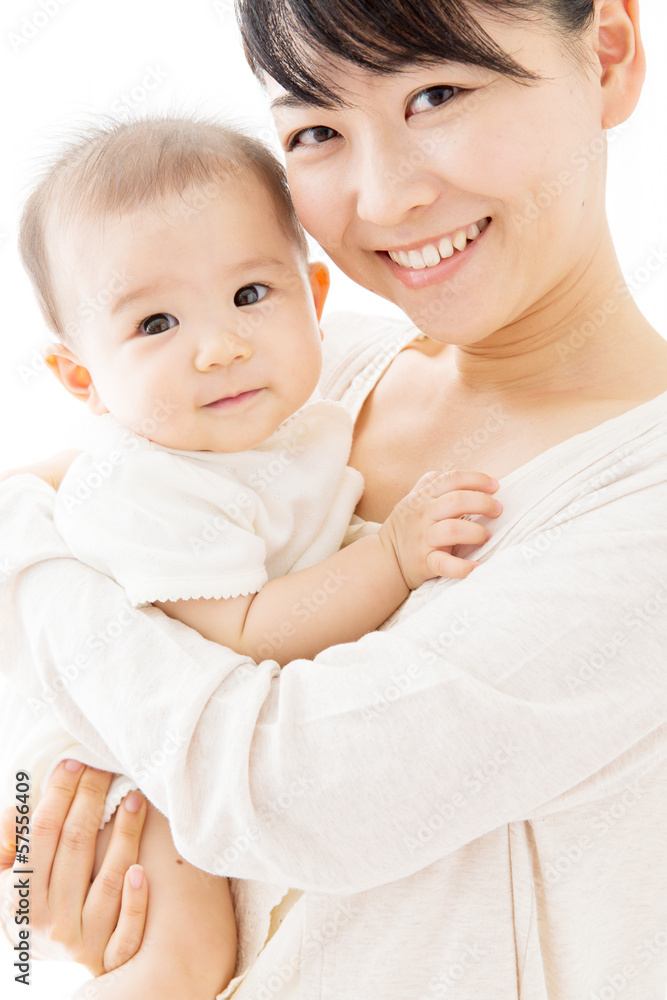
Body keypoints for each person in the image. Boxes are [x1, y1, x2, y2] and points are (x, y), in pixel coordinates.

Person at [1, 0, 667, 997]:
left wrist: (38, 583)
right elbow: (57, 488)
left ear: (607, 53)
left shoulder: (639, 507)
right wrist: (81, 885)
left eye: (436, 93)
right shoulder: (312, 381)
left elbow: (281, 789)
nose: (385, 196)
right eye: (315, 130)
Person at [1, 114, 499, 1000]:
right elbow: (243, 631)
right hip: (116, 758)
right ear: (82, 380)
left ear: (313, 296)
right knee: (183, 963)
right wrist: (389, 556)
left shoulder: (287, 421)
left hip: (156, 744)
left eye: (249, 296)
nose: (219, 345)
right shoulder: (147, 482)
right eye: (155, 322)